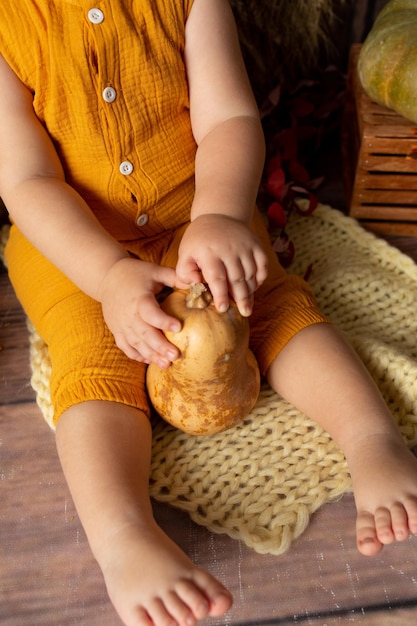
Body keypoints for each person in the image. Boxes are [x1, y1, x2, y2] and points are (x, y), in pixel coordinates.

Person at [1, 1, 417, 625]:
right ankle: (122, 537)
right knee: (94, 360)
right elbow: (28, 180)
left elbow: (227, 117)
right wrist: (108, 277)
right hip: (76, 246)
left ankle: (371, 441)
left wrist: (220, 215)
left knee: (271, 306)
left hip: (198, 214)